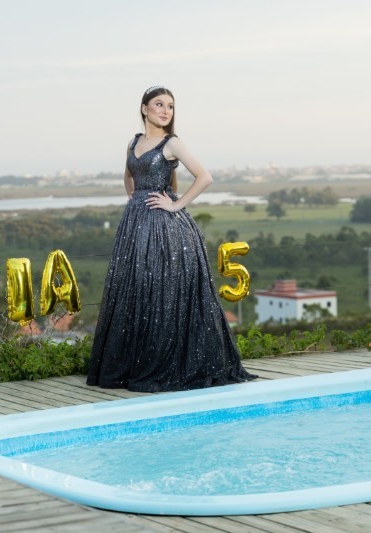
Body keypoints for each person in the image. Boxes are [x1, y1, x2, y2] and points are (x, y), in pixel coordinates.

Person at [86, 85, 257, 393]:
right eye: (159, 104)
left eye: (170, 106)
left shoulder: (172, 142)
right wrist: (135, 200)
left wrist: (176, 205)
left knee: (162, 290)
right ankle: (131, 365)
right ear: (144, 108)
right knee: (135, 287)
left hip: (165, 229)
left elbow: (205, 177)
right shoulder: (133, 142)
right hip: (135, 225)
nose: (166, 111)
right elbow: (128, 177)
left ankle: (164, 362)